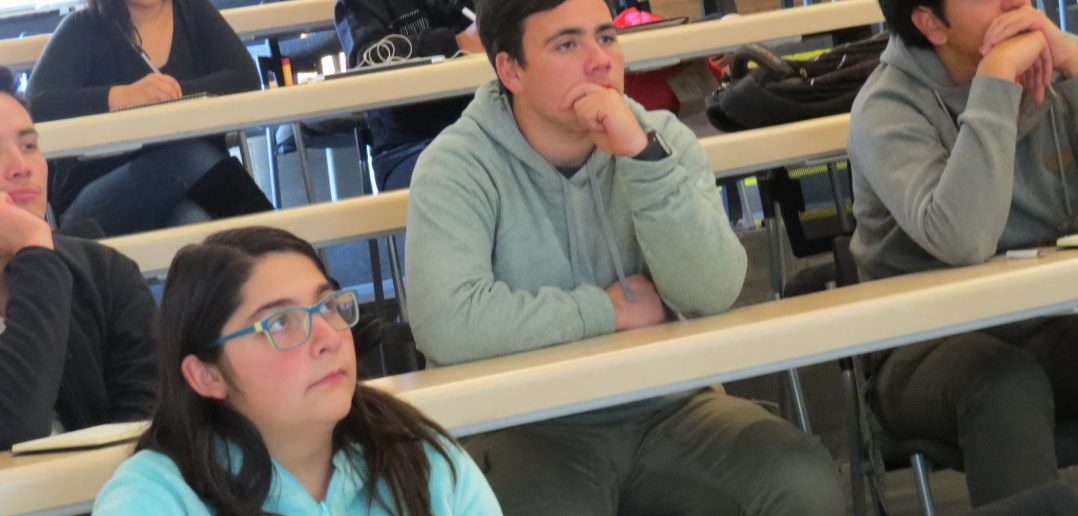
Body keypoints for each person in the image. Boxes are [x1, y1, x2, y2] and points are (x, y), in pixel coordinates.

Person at [404, 0, 845, 513]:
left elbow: (714, 290)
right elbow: (446, 323)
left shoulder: (660, 138)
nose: (599, 60)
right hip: (521, 423)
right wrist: (605, 311)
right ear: (510, 70)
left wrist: (643, 158)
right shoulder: (456, 165)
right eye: (567, 44)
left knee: (800, 481)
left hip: (671, 407)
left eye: (606, 38)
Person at [93, 226, 501, 515]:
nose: (328, 337)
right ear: (206, 376)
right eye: (279, 322)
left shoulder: (419, 454)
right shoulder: (154, 499)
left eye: (328, 306)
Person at [849, 0, 1078, 506]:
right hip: (925, 346)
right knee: (1003, 382)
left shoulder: (1054, 68)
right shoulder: (885, 110)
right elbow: (964, 238)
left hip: (1049, 318)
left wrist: (1074, 60)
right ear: (931, 23)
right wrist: (995, 81)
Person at [0, 65, 157, 450]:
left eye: (29, 146)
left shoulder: (107, 275)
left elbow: (150, 437)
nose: (21, 168)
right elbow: (13, 430)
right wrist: (34, 246)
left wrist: (34, 249)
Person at [27, 0, 271, 237]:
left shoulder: (193, 11)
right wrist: (120, 96)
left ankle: (271, 246)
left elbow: (245, 79)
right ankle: (274, 240)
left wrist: (168, 94)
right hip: (96, 203)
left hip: (189, 189)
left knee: (191, 219)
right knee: (186, 157)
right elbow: (36, 103)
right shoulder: (83, 26)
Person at [334, 0, 480, 191]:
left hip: (487, 131)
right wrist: (455, 43)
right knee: (454, 184)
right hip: (408, 147)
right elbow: (367, 60)